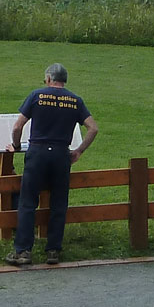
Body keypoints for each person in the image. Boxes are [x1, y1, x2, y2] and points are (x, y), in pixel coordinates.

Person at [6, 63, 98, 267]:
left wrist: (15, 144)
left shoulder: (37, 95)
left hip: (37, 152)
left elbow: (17, 126)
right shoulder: (75, 100)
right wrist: (79, 150)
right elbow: (93, 128)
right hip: (60, 154)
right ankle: (53, 251)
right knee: (58, 203)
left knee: (28, 202)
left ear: (48, 79)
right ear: (64, 80)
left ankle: (23, 251)